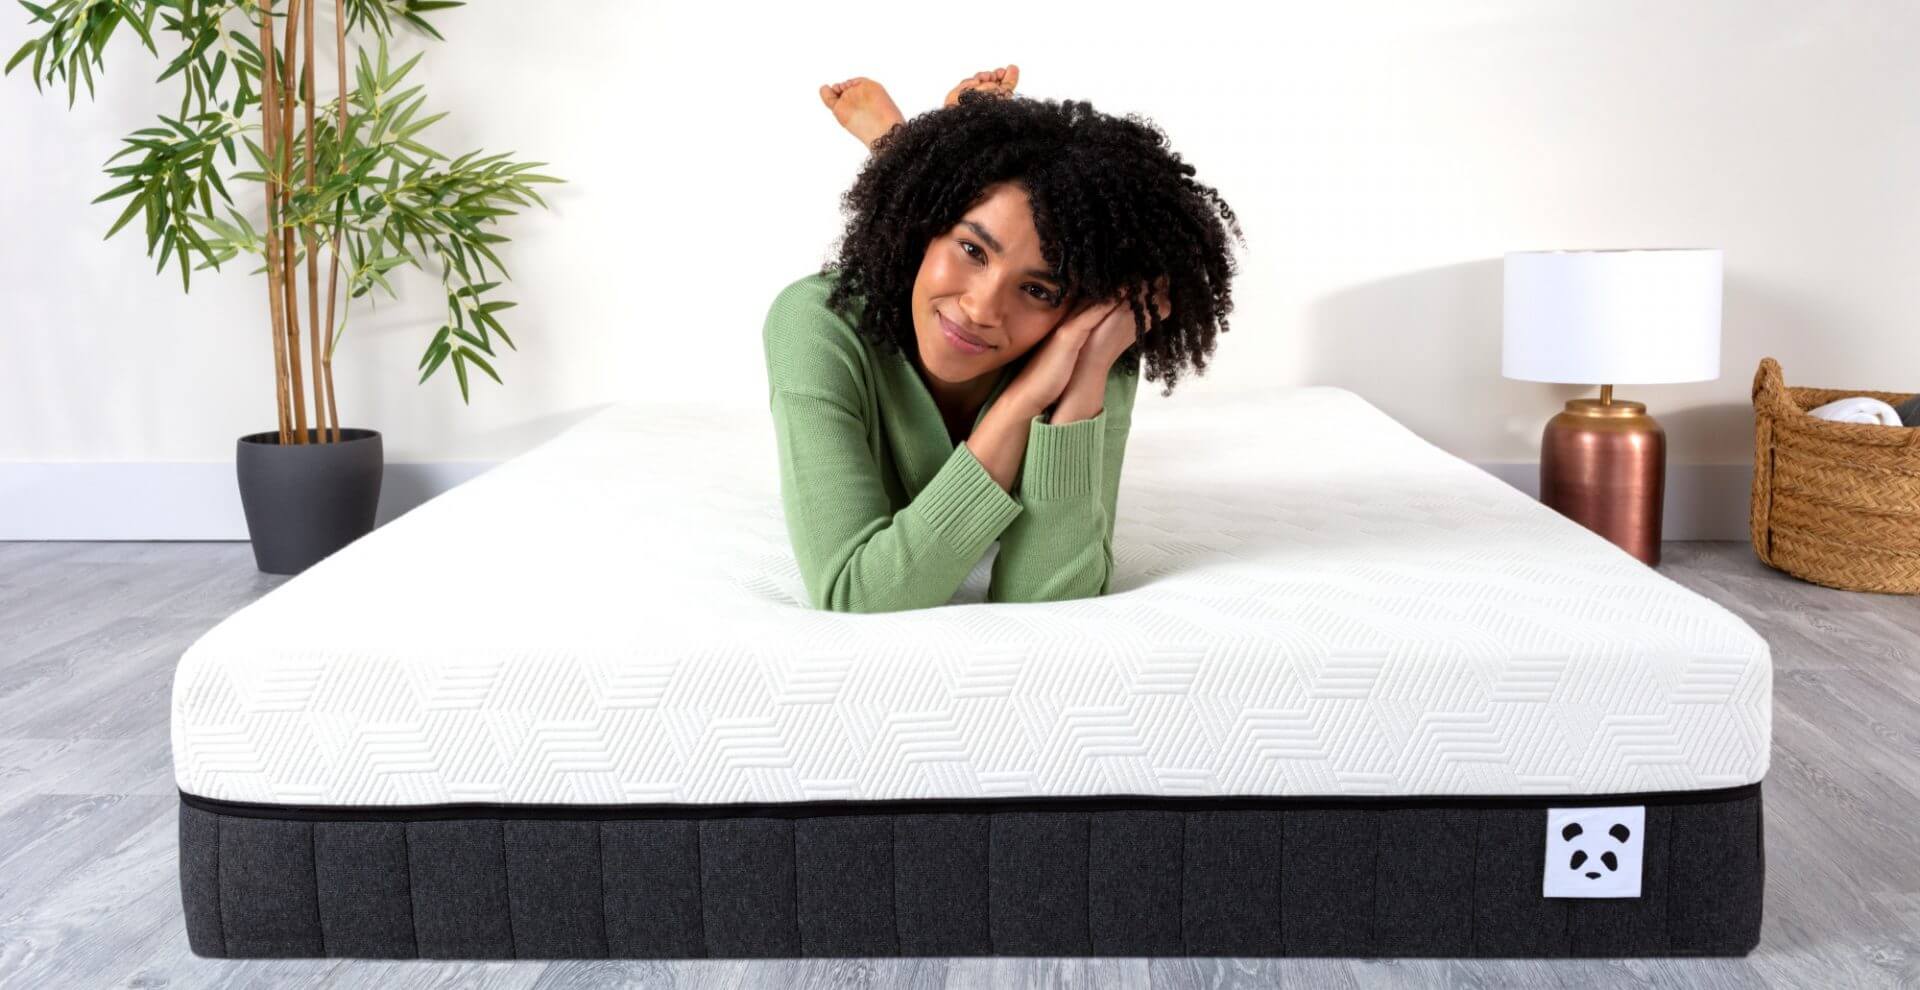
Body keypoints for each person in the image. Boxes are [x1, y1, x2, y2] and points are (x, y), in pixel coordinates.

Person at [763, 66, 1243, 613]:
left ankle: (919, 163)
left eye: (1037, 288)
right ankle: (903, 151)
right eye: (971, 250)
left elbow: (1047, 597)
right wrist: (1021, 402)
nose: (981, 310)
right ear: (924, 229)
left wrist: (1083, 376)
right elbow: (858, 593)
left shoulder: (1090, 340)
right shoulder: (815, 323)